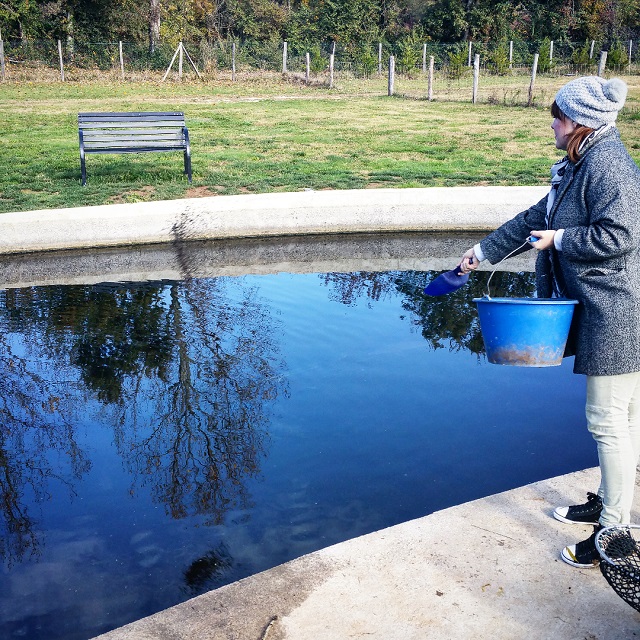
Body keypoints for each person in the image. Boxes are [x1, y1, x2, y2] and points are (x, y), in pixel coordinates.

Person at [459, 75, 640, 568]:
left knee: (609, 420)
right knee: (623, 420)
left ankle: (616, 537)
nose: (552, 124)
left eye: (558, 116)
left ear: (579, 122)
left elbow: (619, 235)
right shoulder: (580, 164)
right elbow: (533, 216)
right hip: (605, 309)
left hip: (618, 313)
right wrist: (480, 253)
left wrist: (559, 240)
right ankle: (610, 502)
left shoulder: (609, 165)